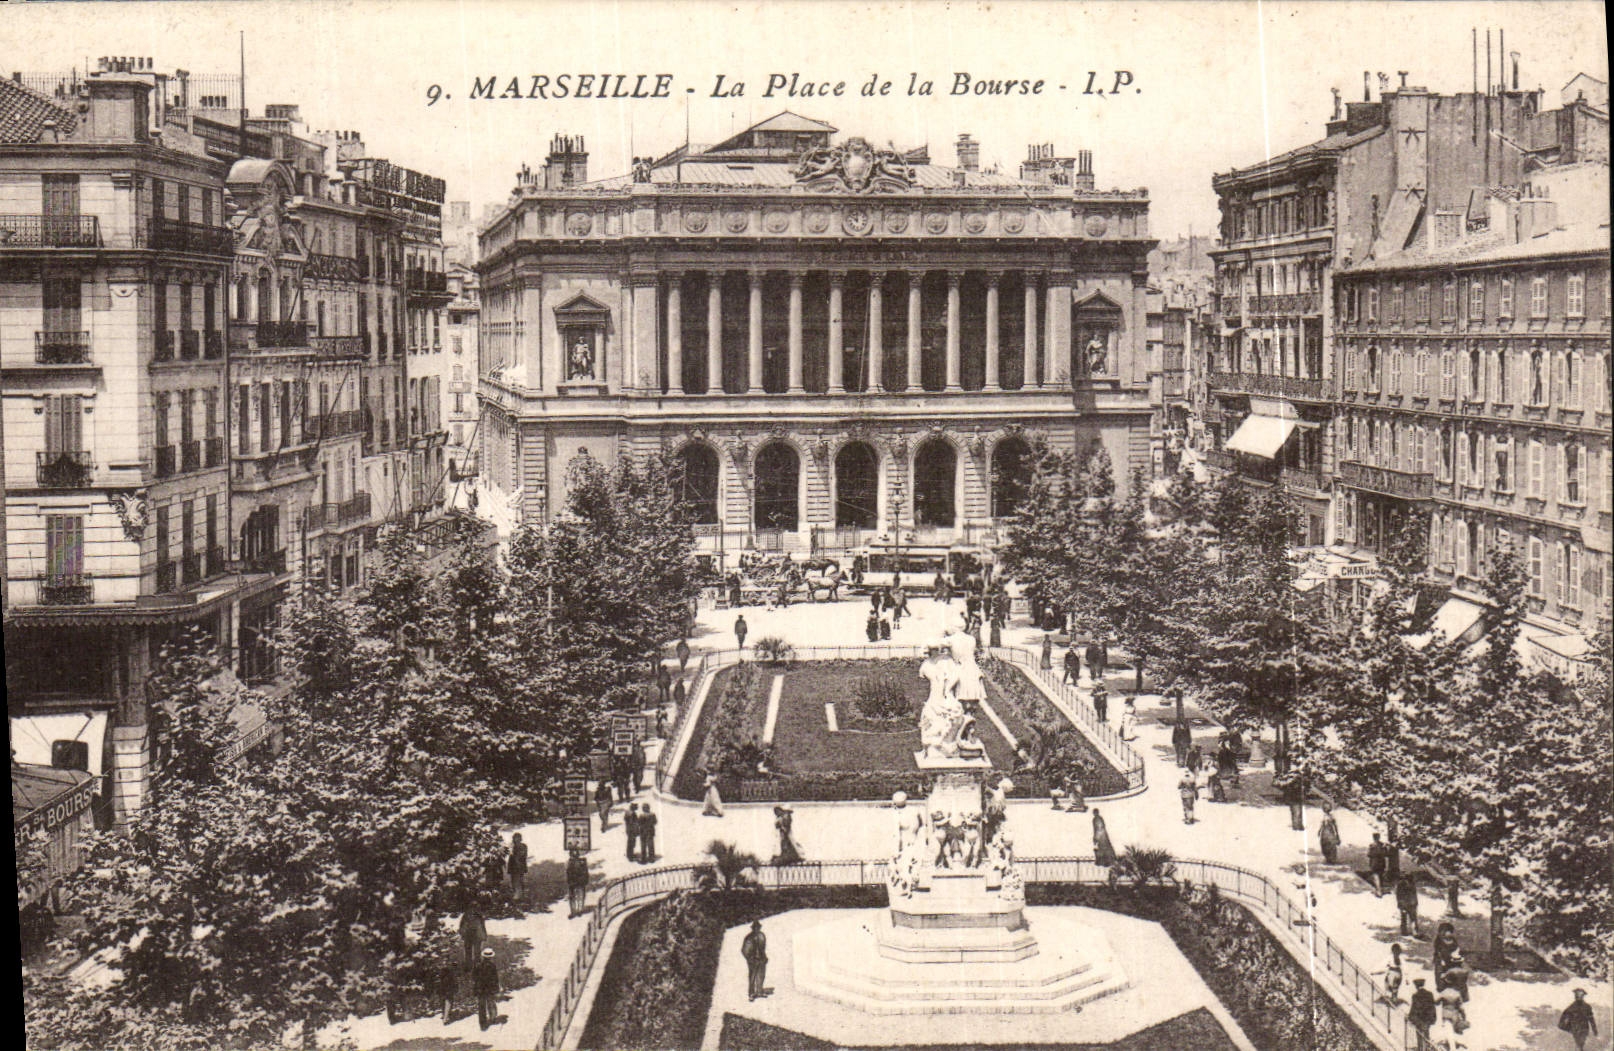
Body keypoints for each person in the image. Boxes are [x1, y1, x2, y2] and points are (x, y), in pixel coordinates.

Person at [473, 946, 500, 1030]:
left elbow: (474, 977)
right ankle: (492, 1018)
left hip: (480, 988)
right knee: (491, 1002)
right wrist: (496, 988)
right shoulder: (492, 966)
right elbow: (495, 978)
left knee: (481, 1006)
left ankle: (483, 1024)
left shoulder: (478, 965)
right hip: (489, 988)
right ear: (491, 957)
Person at [742, 920, 768, 1000]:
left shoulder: (762, 936)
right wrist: (749, 959)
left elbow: (763, 948)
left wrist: (764, 957)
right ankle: (751, 993)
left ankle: (759, 991)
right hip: (753, 960)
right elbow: (744, 950)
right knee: (752, 976)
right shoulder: (748, 937)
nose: (757, 929)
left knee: (761, 975)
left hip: (761, 959)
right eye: (755, 928)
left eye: (758, 927)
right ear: (753, 928)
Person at [1432, 922, 1459, 991]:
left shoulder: (1453, 940)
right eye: (1447, 932)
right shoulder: (1439, 940)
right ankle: (1441, 989)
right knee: (1440, 975)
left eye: (1450, 932)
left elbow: (1456, 948)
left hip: (1451, 961)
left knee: (1451, 975)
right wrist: (1441, 960)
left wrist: (1455, 953)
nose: (1449, 934)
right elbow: (1438, 951)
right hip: (1441, 961)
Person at [1395, 872, 1420, 936]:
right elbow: (1399, 896)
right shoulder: (1403, 885)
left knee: (1407, 918)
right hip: (1408, 905)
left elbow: (1398, 896)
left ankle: (1407, 931)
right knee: (1411, 918)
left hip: (1409, 905)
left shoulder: (1403, 885)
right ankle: (1410, 931)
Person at [566, 850, 589, 916]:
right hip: (572, 882)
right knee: (572, 897)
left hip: (579, 882)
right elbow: (568, 872)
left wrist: (584, 881)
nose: (574, 857)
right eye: (572, 855)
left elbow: (585, 872)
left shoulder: (582, 862)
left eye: (575, 855)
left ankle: (579, 911)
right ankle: (573, 911)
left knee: (580, 897)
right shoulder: (569, 862)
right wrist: (569, 881)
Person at [506, 832, 528, 900]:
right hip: (513, 865)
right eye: (515, 838)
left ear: (520, 839)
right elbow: (507, 852)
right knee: (514, 879)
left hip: (519, 865)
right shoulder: (512, 846)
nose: (516, 840)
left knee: (518, 879)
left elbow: (523, 855)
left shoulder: (523, 846)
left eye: (518, 838)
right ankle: (517, 893)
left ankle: (518, 894)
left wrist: (516, 857)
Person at [1367, 831, 1389, 896]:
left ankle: (1378, 891)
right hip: (1382, 862)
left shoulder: (1371, 845)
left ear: (1373, 838)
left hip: (1374, 863)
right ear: (1379, 837)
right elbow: (1386, 854)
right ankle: (1380, 890)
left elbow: (1369, 854)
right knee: (1381, 876)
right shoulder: (1383, 845)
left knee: (1376, 876)